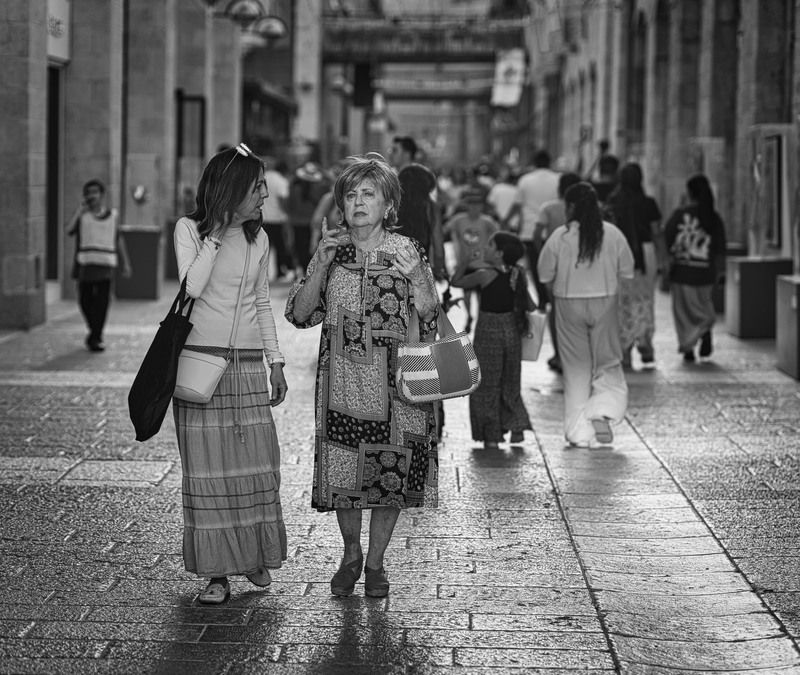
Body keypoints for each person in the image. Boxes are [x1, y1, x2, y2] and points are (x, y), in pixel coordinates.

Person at [285, 153, 439, 598]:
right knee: (345, 474)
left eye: (368, 193)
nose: (357, 202)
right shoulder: (334, 253)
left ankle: (375, 564)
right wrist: (318, 260)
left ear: (388, 204)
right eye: (350, 194)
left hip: (398, 387)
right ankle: (351, 554)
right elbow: (299, 314)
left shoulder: (407, 251)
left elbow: (429, 320)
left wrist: (420, 282)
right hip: (342, 385)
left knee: (391, 474)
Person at [173, 143, 289, 604]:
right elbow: (191, 289)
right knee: (209, 474)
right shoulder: (189, 229)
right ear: (233, 188)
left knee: (256, 468)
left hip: (245, 367)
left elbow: (262, 303)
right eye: (257, 186)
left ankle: (253, 554)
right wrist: (217, 233)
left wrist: (275, 361)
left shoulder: (260, 239)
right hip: (200, 365)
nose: (264, 194)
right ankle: (217, 573)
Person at [537, 182, 634, 448]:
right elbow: (627, 270)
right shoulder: (612, 234)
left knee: (576, 367)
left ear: (569, 207)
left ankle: (579, 432)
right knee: (608, 361)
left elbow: (544, 273)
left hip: (568, 303)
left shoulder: (561, 236)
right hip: (605, 300)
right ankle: (604, 410)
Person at [451, 232, 535, 449]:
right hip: (512, 332)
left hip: (489, 332)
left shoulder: (484, 275)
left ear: (499, 254)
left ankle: (491, 435)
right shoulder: (519, 273)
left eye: (490, 245)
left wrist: (465, 260)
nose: (486, 248)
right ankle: (516, 427)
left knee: (487, 383)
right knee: (511, 380)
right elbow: (531, 306)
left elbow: (456, 281)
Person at [663, 174, 726, 362]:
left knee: (683, 312)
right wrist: (721, 271)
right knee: (704, 305)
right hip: (706, 273)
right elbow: (720, 247)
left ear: (689, 192)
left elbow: (666, 237)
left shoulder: (679, 215)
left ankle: (688, 346)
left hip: (682, 272)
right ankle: (705, 329)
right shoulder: (714, 217)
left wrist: (667, 261)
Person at [605, 163, 663, 368]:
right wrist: (663, 259)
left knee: (622, 304)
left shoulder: (613, 202)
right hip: (645, 255)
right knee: (645, 300)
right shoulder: (649, 203)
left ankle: (625, 350)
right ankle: (645, 344)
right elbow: (656, 232)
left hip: (619, 256)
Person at [67, 179, 132, 352]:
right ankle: (94, 332)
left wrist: (125, 263)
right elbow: (69, 230)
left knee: (102, 303)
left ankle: (96, 337)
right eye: (88, 192)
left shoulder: (112, 216)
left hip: (105, 265)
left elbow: (118, 239)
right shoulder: (82, 215)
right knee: (84, 300)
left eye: (95, 192)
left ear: (102, 195)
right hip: (86, 265)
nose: (92, 196)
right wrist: (79, 212)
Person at [534, 171, 582, 373]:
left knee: (556, 310)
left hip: (556, 266)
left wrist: (542, 254)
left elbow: (537, 234)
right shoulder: (583, 210)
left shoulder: (549, 208)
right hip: (579, 265)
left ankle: (559, 355)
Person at [502, 149, 560, 305]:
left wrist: (506, 221)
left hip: (530, 231)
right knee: (555, 266)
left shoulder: (525, 180)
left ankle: (542, 298)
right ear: (550, 162)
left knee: (536, 266)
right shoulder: (558, 179)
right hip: (553, 231)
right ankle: (554, 296)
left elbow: (517, 205)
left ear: (534, 163)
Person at [389, 135, 447, 281]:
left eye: (395, 150)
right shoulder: (425, 179)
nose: (390, 153)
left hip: (389, 263)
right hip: (418, 261)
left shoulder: (389, 184)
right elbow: (435, 221)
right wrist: (439, 265)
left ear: (407, 154)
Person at [444, 187, 500, 331]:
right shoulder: (459, 220)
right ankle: (469, 316)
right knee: (467, 296)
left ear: (482, 206)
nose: (474, 208)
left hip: (483, 264)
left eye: (477, 204)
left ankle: (481, 320)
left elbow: (499, 236)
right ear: (467, 205)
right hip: (466, 263)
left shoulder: (487, 221)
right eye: (471, 204)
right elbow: (445, 229)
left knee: (482, 297)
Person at [288, 161, 329, 276]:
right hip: (314, 223)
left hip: (297, 222)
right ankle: (312, 271)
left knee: (300, 248)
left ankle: (304, 271)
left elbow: (290, 205)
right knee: (314, 248)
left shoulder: (294, 188)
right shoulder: (320, 188)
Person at [261, 158, 293, 280]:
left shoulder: (263, 177)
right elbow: (283, 199)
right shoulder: (281, 181)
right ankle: (280, 271)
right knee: (280, 247)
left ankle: (261, 272)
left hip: (262, 218)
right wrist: (286, 213)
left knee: (263, 247)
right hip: (277, 219)